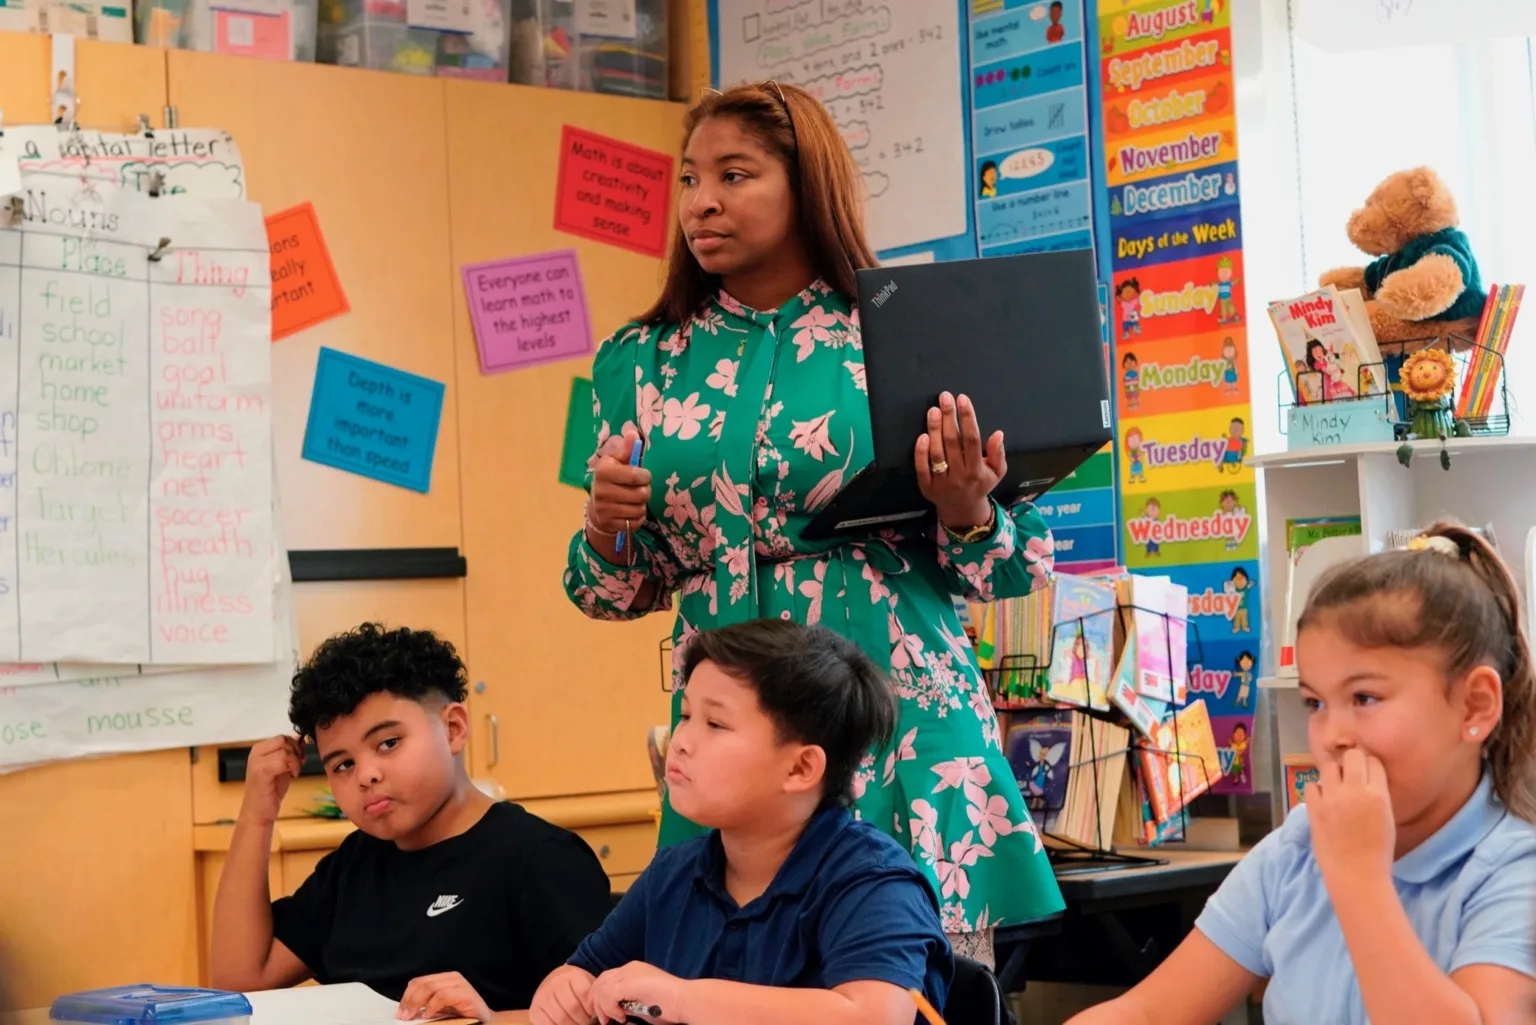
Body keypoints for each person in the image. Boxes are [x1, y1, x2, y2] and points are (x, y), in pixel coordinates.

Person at [562, 80, 1063, 964]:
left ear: (806, 187)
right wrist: (606, 526)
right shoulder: (631, 362)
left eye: (734, 174)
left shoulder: (906, 335)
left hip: (897, 724)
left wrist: (967, 507)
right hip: (730, 740)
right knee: (717, 983)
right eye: (688, 178)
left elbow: (1009, 574)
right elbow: (607, 592)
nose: (701, 201)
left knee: (905, 992)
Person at [1066, 522, 1536, 1025]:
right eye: (1315, 701)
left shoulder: (1514, 870)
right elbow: (1148, 1012)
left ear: (1474, 706)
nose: (1332, 734)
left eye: (1365, 698)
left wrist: (1359, 877)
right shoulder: (1296, 850)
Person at [528, 620, 952, 1025]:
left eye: (715, 723)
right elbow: (586, 970)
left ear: (800, 768)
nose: (681, 742)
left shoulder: (871, 880)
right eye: (686, 715)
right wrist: (568, 988)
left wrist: (681, 997)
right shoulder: (675, 872)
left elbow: (873, 1015)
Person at [210, 624, 612, 1019]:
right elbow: (239, 983)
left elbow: (605, 1012)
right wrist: (257, 817)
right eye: (343, 764)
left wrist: (490, 1018)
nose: (366, 774)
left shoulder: (540, 859)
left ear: (454, 729)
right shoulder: (353, 865)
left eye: (388, 743)